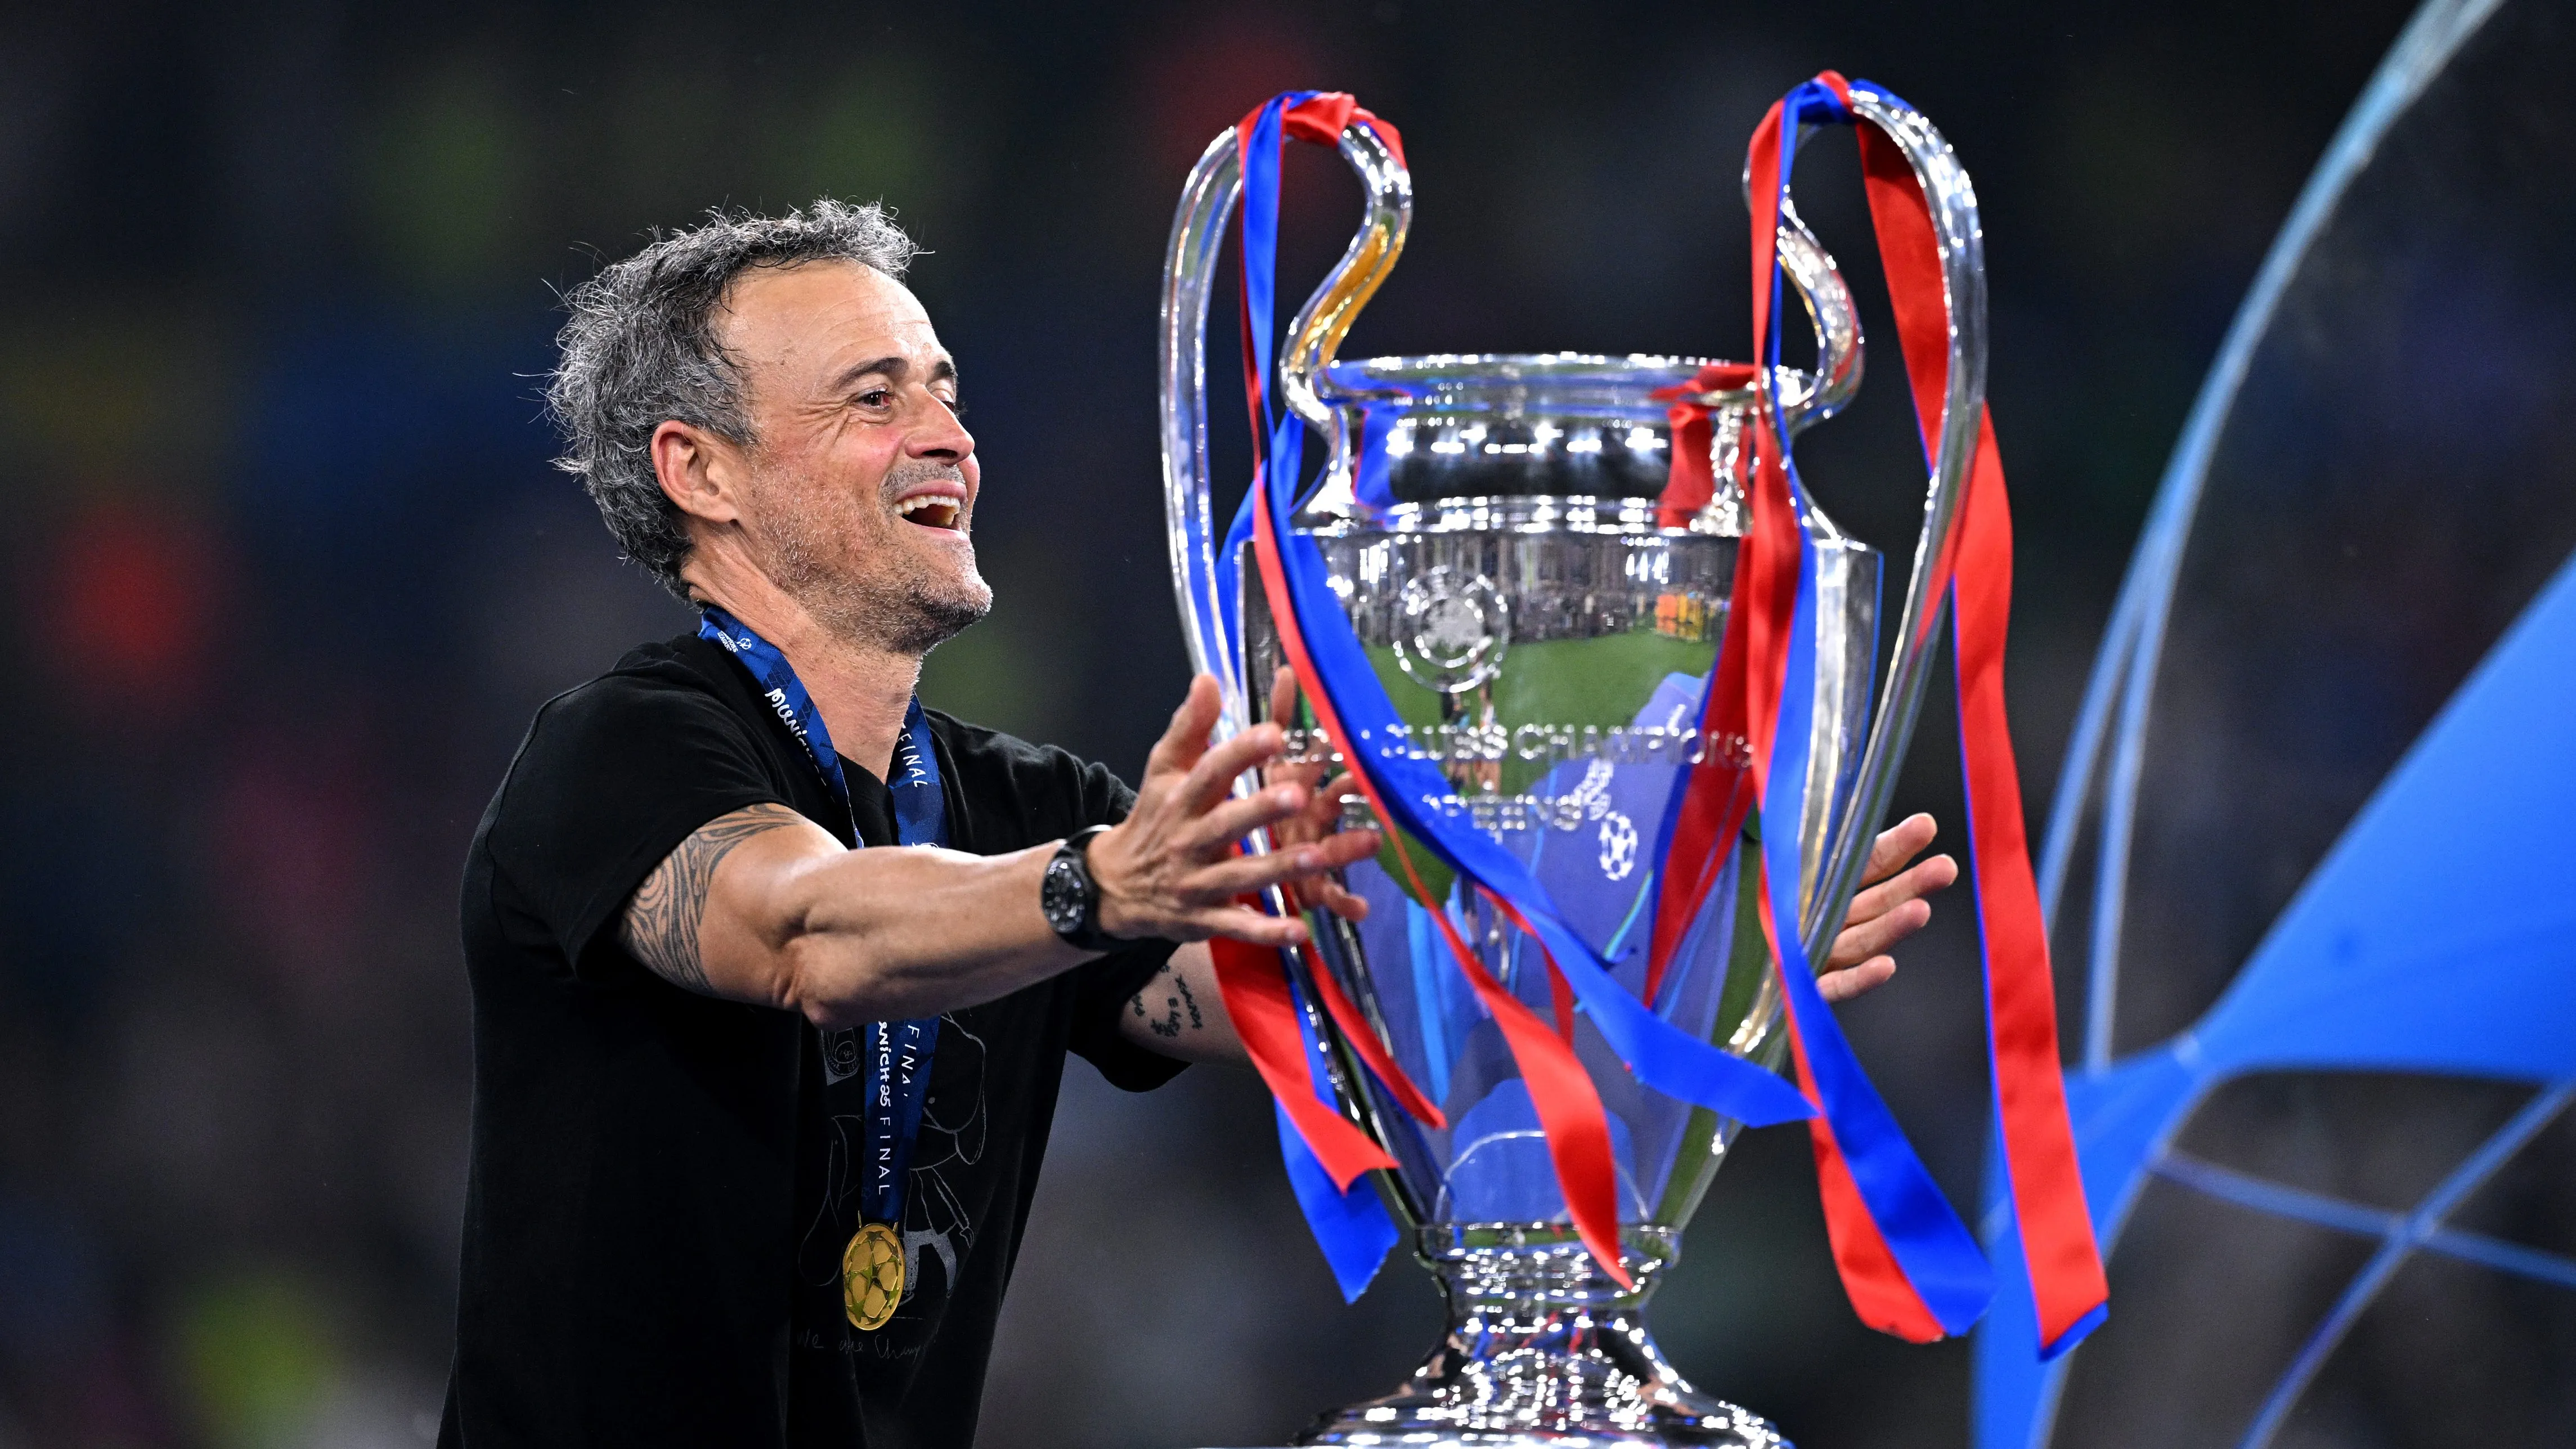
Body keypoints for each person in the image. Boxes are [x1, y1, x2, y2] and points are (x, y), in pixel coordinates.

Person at [436, 200, 1959, 1448]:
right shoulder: (618, 753)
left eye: (947, 385)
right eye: (872, 396)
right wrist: (1100, 884)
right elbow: (805, 932)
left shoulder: (1026, 810)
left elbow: (1345, 1018)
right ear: (699, 471)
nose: (946, 433)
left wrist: (1688, 980)